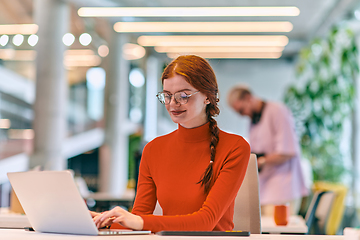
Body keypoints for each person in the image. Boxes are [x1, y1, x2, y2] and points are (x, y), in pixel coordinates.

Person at [91, 55, 251, 233]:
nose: (173, 104)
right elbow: (138, 219)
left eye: (183, 95)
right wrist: (101, 220)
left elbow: (205, 222)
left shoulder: (235, 147)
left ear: (208, 96)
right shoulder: (153, 149)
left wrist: (139, 222)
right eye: (167, 96)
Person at [227, 85, 308, 216]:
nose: (243, 115)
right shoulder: (254, 120)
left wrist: (261, 161)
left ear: (248, 98)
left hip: (283, 189)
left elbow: (287, 151)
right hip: (266, 189)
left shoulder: (277, 111)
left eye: (242, 110)